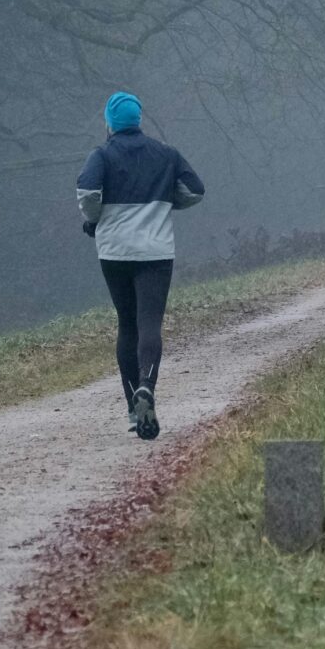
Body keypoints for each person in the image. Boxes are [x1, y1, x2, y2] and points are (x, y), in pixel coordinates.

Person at [75, 92, 205, 440]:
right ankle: (147, 385)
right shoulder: (166, 154)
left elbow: (88, 194)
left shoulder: (100, 155)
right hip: (155, 252)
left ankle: (134, 410)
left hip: (114, 253)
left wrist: (95, 220)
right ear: (138, 120)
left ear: (110, 123)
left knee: (127, 325)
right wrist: (163, 203)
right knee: (150, 323)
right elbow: (195, 190)